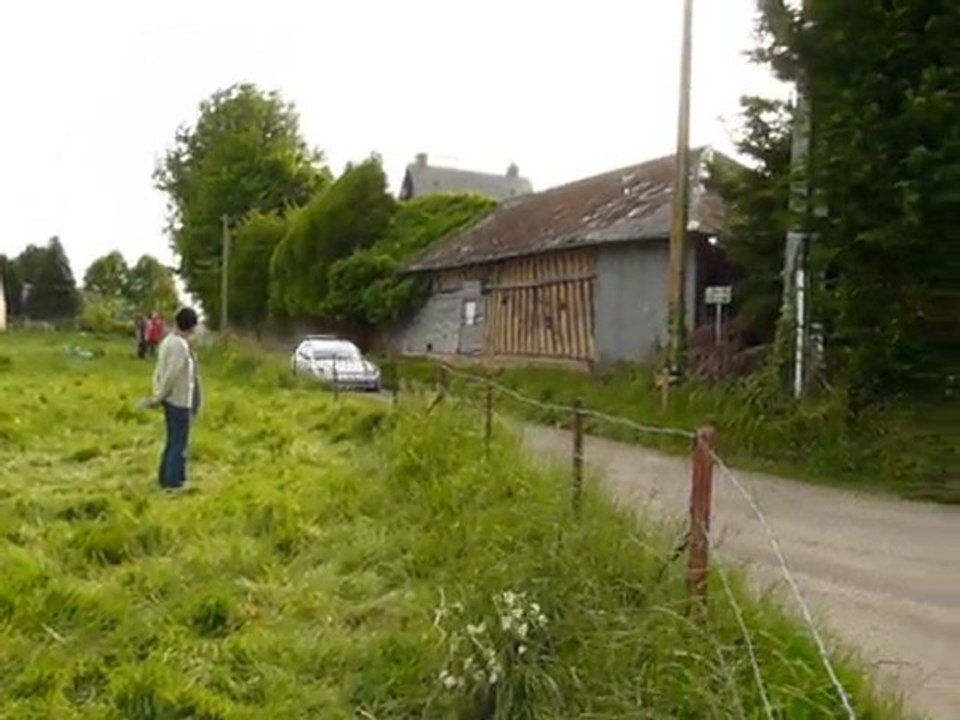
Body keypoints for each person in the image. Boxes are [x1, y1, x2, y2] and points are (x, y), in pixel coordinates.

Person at [143, 307, 202, 490]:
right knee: (179, 443)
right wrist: (159, 396)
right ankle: (174, 483)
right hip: (178, 400)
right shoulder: (180, 346)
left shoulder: (168, 342)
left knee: (173, 441)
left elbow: (159, 372)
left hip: (171, 399)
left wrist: (157, 394)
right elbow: (171, 375)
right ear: (191, 327)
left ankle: (166, 478)